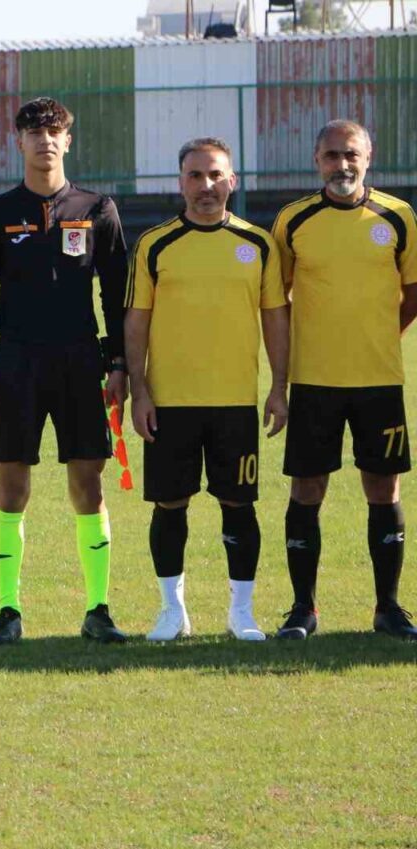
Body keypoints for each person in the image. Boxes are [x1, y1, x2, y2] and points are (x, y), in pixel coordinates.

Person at [0, 97, 129, 645]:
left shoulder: (97, 208)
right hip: (16, 361)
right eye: (35, 132)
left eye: (55, 131)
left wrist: (118, 363)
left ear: (68, 140)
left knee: (88, 483)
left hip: (80, 360)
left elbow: (115, 295)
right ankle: (7, 610)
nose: (45, 140)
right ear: (18, 141)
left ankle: (98, 609)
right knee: (12, 487)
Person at [125, 137, 289, 642]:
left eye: (216, 174)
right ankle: (171, 611)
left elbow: (275, 319)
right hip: (170, 402)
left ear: (232, 181)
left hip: (235, 402)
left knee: (238, 505)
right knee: (169, 505)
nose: (206, 185)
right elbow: (136, 321)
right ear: (180, 183)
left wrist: (278, 388)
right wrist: (140, 391)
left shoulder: (258, 244)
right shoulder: (155, 244)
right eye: (195, 175)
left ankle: (242, 612)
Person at [271, 119, 417, 641]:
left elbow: (413, 291)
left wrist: (380, 335)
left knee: (383, 486)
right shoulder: (293, 220)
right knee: (307, 488)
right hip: (314, 382)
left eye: (351, 154)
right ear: (317, 161)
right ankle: (302, 610)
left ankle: (388, 609)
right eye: (332, 155)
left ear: (368, 157)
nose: (342, 165)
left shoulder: (398, 216)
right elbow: (275, 299)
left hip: (379, 380)